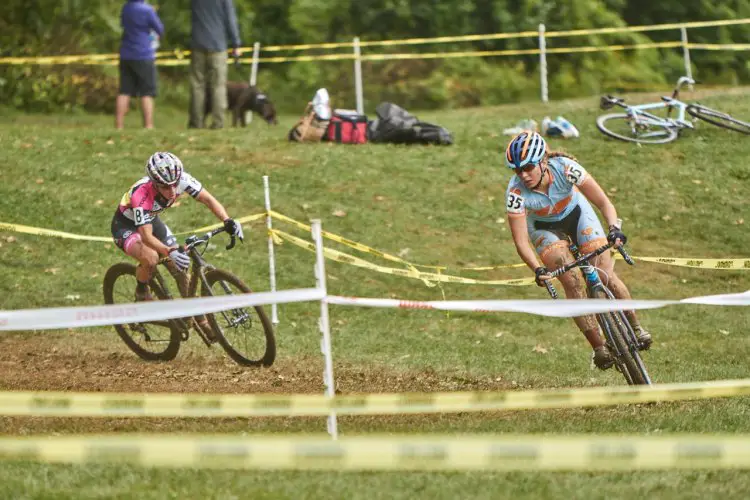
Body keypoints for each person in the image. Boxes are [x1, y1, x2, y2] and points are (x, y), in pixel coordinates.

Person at [503, 131, 652, 370]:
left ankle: (635, 326)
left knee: (604, 273)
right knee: (570, 279)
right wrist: (538, 269)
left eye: (528, 167)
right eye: (516, 170)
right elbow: (521, 242)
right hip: (544, 227)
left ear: (543, 161)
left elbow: (604, 202)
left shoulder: (566, 168)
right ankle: (598, 347)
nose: (523, 175)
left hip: (578, 215)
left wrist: (614, 229)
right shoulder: (516, 193)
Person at [111, 152, 245, 307]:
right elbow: (146, 236)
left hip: (151, 220)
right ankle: (141, 290)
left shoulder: (182, 179)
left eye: (175, 184)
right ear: (155, 184)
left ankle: (196, 317)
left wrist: (227, 220)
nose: (173, 191)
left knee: (180, 267)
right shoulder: (141, 195)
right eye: (166, 187)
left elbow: (208, 199)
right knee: (151, 258)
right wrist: (169, 251)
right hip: (125, 226)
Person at [188, 0, 241, 129]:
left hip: (198, 44)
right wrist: (236, 43)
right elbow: (230, 19)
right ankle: (218, 122)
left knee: (197, 85)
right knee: (218, 86)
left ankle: (196, 122)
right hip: (218, 46)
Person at [116, 0, 164, 129]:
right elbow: (160, 29)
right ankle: (148, 125)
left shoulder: (126, 8)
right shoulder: (147, 10)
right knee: (147, 92)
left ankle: (119, 125)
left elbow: (122, 25)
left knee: (124, 90)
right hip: (143, 55)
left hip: (126, 54)